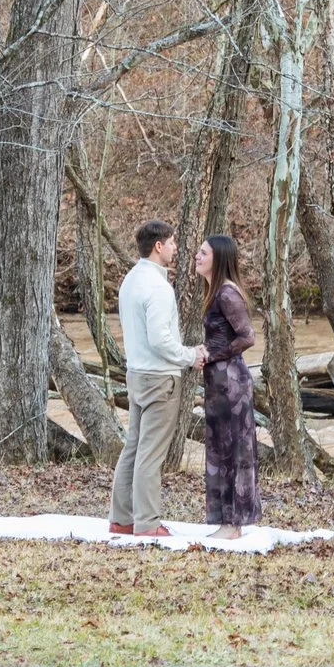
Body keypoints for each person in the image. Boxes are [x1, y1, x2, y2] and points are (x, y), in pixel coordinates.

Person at [109, 219, 204, 537]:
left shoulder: (130, 281)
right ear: (158, 246)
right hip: (160, 380)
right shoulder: (158, 288)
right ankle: (147, 523)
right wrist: (191, 356)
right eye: (172, 242)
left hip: (136, 375)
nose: (176, 248)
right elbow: (161, 341)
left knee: (133, 448)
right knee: (150, 453)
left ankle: (121, 519)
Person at [195, 234, 261, 541]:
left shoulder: (226, 293)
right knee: (220, 447)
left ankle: (234, 523)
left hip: (231, 382)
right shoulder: (215, 291)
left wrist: (213, 354)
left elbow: (248, 336)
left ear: (218, 259)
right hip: (219, 381)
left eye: (203, 253)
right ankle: (226, 521)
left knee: (234, 448)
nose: (197, 256)